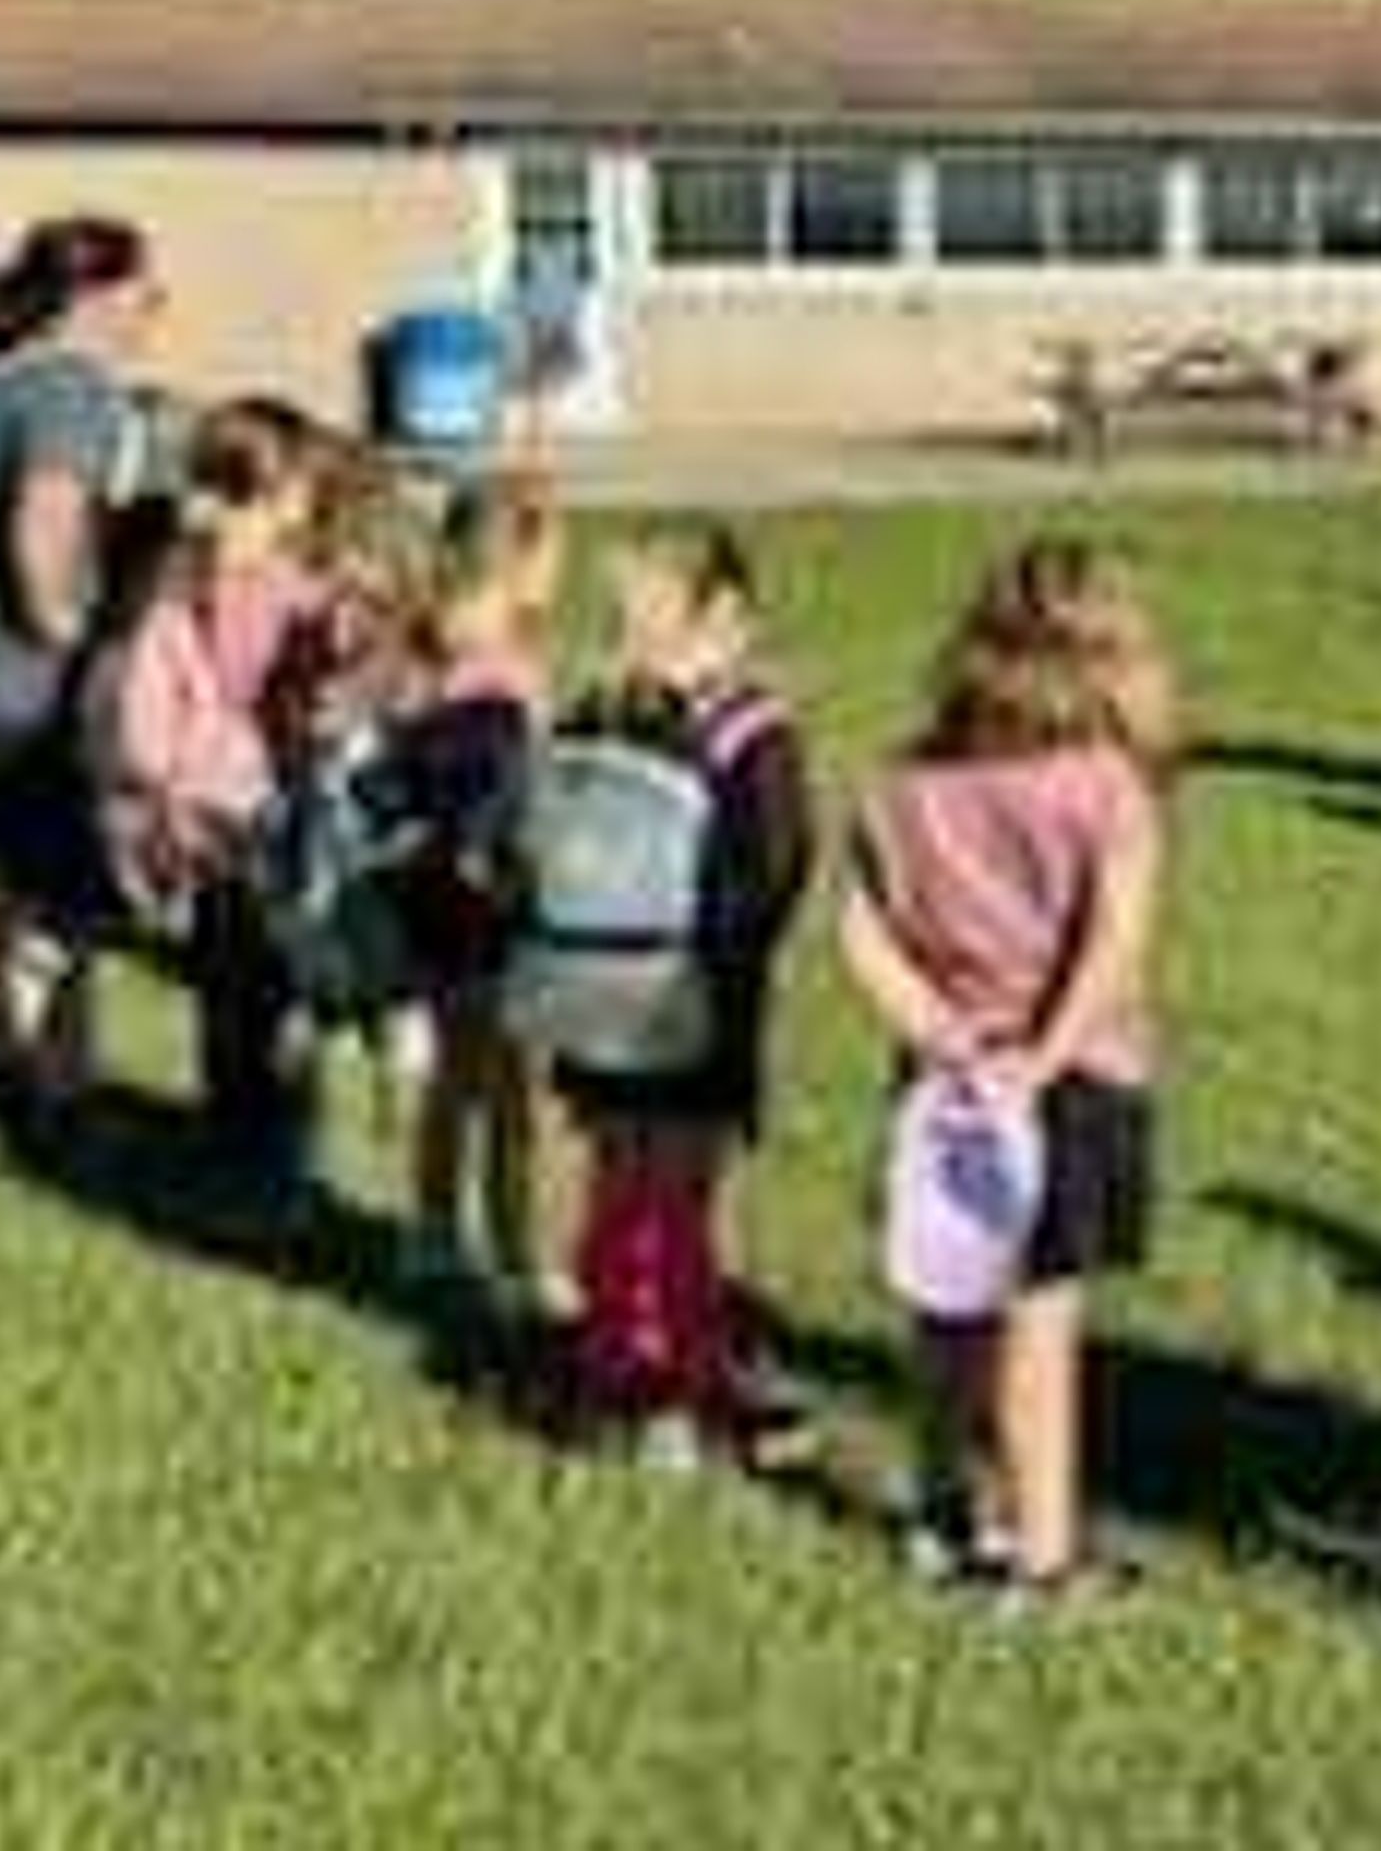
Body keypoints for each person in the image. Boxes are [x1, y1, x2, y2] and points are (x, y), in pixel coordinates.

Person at [843, 538, 1173, 1604]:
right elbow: (1114, 941)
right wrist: (1043, 1058)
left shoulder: (902, 783)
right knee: (1041, 1320)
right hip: (1067, 1085)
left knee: (943, 1306)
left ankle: (939, 1511)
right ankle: (1043, 1553)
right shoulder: (1107, 786)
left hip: (942, 1087)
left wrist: (941, 1035)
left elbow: (858, 932)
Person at [550, 526, 814, 1468]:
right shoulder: (753, 734)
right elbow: (778, 868)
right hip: (696, 1004)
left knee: (617, 1183)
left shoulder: (591, 715)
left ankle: (610, 1361)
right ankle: (685, 1381)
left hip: (592, 996)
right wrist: (726, 959)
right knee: (686, 1197)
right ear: (730, 617)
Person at [0, 215, 161, 1114]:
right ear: (95, 298)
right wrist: (78, 647)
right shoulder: (72, 389)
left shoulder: (0, 373)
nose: (152, 311)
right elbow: (40, 535)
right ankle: (56, 1089)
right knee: (69, 897)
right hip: (29, 685)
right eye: (145, 293)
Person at [84, 396, 332, 1177]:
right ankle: (267, 1146)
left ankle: (244, 1137)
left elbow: (141, 719)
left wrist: (156, 791)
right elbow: (151, 713)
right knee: (267, 990)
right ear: (281, 496)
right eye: (298, 489)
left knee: (235, 988)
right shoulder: (279, 592)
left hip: (223, 817)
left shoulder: (185, 586)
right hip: (253, 818)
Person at [391, 474, 570, 1312]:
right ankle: (523, 1258)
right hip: (499, 902)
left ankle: (432, 1234)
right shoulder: (509, 672)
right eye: (553, 558)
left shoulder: (425, 649)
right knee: (520, 1095)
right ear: (521, 561)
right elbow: (518, 797)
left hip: (427, 899)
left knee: (453, 1079)